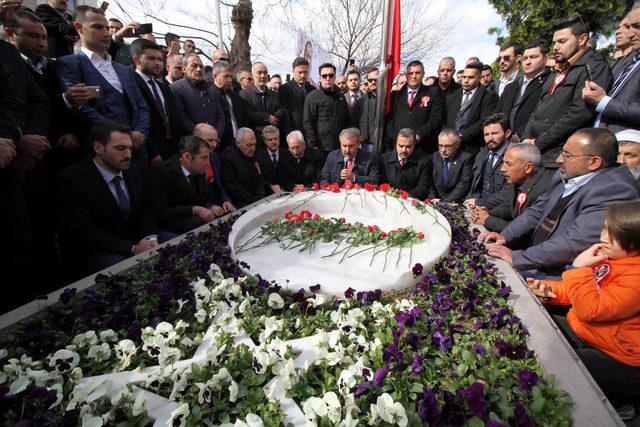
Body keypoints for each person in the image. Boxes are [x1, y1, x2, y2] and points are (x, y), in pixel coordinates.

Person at [528, 200, 640, 420]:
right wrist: (549, 290)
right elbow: (583, 292)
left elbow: (592, 309)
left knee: (563, 365)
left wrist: (578, 268)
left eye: (613, 234)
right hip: (592, 334)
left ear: (635, 243)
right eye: (605, 228)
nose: (603, 237)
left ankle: (619, 402)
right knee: (535, 328)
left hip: (619, 357)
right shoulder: (614, 257)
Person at [480, 128, 639, 276]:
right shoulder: (567, 172)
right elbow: (539, 209)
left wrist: (517, 257)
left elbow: (575, 241)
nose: (558, 160)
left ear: (594, 162)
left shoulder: (615, 189)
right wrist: (505, 236)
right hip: (537, 257)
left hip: (562, 273)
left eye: (567, 155)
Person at [57, 121, 163, 279]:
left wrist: (150, 238)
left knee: (172, 245)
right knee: (129, 271)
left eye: (130, 148)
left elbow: (145, 211)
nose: (128, 154)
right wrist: (132, 248)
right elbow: (83, 232)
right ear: (98, 148)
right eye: (120, 148)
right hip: (97, 253)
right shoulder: (72, 179)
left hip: (136, 242)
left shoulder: (134, 171)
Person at [57, 6, 150, 170]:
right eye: (98, 27)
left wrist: (139, 134)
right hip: (100, 155)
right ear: (79, 28)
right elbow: (80, 107)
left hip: (137, 152)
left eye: (107, 28)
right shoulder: (69, 64)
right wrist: (125, 135)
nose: (106, 33)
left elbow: (142, 106)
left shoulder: (123, 70)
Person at [523, 15, 612, 168]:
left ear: (582, 39)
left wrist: (540, 142)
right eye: (554, 42)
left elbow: (580, 113)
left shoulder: (593, 66)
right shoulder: (559, 70)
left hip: (560, 157)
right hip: (536, 152)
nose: (555, 47)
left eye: (562, 41)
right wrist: (527, 138)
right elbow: (539, 108)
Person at [471, 143, 553, 232]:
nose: (502, 169)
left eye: (508, 164)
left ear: (528, 168)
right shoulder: (516, 180)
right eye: (503, 162)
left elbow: (522, 229)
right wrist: (488, 213)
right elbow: (508, 208)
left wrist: (487, 220)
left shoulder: (543, 191)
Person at [147, 135, 221, 234]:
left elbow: (201, 200)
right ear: (187, 157)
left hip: (193, 221)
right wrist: (194, 209)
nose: (208, 163)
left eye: (208, 158)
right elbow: (161, 213)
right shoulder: (161, 173)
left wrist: (211, 207)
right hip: (171, 225)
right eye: (204, 158)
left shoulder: (199, 171)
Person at [582, 9, 639, 133]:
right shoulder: (628, 61)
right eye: (629, 27)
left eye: (637, 26)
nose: (629, 34)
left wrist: (604, 101)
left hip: (626, 145)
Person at [131, 39, 180, 164]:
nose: (158, 63)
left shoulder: (163, 87)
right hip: (146, 152)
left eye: (160, 59)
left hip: (171, 150)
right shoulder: (131, 83)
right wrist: (152, 151)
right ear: (137, 59)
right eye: (152, 59)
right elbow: (135, 119)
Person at [498, 40, 551, 139]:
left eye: (533, 57)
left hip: (532, 141)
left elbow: (544, 115)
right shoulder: (510, 87)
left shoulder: (550, 82)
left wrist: (520, 134)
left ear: (546, 58)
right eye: (525, 58)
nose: (528, 62)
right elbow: (498, 114)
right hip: (505, 141)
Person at [388, 60, 442, 151]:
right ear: (406, 75)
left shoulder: (433, 92)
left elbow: (435, 118)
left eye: (417, 73)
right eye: (410, 73)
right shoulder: (395, 95)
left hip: (422, 146)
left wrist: (418, 136)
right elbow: (389, 120)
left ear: (423, 73)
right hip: (399, 147)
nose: (414, 76)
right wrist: (397, 137)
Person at [446, 62, 498, 154]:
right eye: (464, 77)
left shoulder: (488, 96)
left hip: (472, 148)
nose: (466, 80)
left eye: (470, 77)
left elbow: (485, 121)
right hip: (449, 146)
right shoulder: (452, 96)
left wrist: (461, 135)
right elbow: (445, 120)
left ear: (479, 78)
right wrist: (448, 137)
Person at [170, 53, 225, 138]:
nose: (199, 69)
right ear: (184, 69)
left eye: (201, 66)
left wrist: (215, 135)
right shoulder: (176, 89)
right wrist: (201, 135)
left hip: (214, 143)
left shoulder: (210, 90)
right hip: (191, 143)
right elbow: (180, 117)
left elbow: (220, 116)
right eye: (194, 66)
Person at [465, 113, 512, 208]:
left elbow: (509, 192)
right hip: (477, 208)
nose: (490, 138)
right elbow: (474, 183)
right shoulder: (483, 153)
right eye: (486, 134)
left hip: (499, 211)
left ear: (507, 133)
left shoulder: (515, 156)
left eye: (494, 133)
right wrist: (469, 201)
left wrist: (480, 203)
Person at [303, 62, 350, 157]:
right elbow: (308, 122)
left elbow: (347, 120)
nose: (328, 78)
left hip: (339, 147)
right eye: (324, 76)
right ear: (320, 77)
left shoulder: (341, 97)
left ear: (334, 77)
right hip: (321, 148)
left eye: (331, 75)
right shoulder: (312, 96)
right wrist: (312, 146)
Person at [221, 127, 269, 208]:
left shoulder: (251, 152)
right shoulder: (228, 157)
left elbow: (258, 176)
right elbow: (233, 186)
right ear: (237, 143)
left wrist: (260, 196)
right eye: (249, 145)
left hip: (257, 197)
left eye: (254, 144)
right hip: (241, 201)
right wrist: (253, 200)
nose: (253, 148)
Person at [378, 128, 432, 199]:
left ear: (414, 145)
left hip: (411, 202)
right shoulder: (384, 159)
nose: (404, 150)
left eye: (408, 147)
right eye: (401, 146)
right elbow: (382, 184)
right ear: (396, 143)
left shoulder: (423, 162)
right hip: (388, 200)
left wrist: (403, 197)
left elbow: (422, 190)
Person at [192, 123, 234, 213]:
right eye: (210, 140)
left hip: (220, 207)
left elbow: (220, 185)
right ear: (196, 140)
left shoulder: (215, 157)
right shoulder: (190, 162)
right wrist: (209, 206)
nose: (214, 144)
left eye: (216, 140)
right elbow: (192, 197)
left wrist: (225, 200)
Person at [239, 62, 285, 142]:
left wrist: (268, 126)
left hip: (273, 138)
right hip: (254, 139)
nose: (263, 76)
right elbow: (248, 113)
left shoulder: (275, 95)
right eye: (259, 73)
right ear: (252, 75)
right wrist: (267, 118)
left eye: (265, 73)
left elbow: (280, 110)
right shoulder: (244, 94)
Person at [210, 60, 250, 151]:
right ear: (215, 76)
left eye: (231, 76)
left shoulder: (234, 96)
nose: (230, 80)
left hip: (238, 143)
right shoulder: (209, 96)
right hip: (220, 144)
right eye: (226, 76)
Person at [429, 128, 474, 202]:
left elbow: (464, 184)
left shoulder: (466, 158)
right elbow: (430, 182)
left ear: (457, 145)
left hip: (455, 201)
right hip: (435, 201)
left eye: (447, 146)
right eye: (440, 146)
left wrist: (446, 202)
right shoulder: (434, 157)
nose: (443, 150)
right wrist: (432, 198)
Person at [279, 57, 315, 136]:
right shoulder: (284, 89)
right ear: (293, 71)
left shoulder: (313, 90)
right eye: (300, 72)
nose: (303, 75)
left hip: (310, 135)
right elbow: (286, 116)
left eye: (305, 72)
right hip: (292, 134)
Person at [352, 68, 379, 150]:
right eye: (370, 80)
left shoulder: (388, 100)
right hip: (364, 145)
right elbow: (354, 123)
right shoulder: (361, 101)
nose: (373, 82)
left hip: (383, 145)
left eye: (376, 79)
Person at [255, 125, 286, 193]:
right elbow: (259, 178)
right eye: (270, 140)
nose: (273, 142)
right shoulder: (258, 156)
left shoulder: (286, 153)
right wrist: (270, 186)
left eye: (276, 138)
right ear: (264, 141)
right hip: (268, 194)